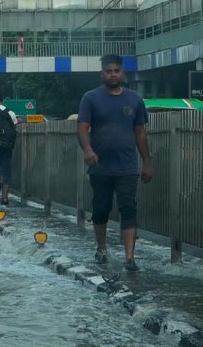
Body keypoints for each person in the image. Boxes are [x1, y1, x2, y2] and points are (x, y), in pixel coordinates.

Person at [77, 53, 151, 272]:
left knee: (128, 208)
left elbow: (140, 133)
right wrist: (88, 150)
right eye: (108, 71)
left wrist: (147, 163)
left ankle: (129, 258)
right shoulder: (90, 98)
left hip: (127, 166)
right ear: (102, 73)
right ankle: (101, 248)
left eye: (116, 71)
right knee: (101, 209)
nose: (113, 75)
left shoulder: (134, 99)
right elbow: (82, 128)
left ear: (122, 73)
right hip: (100, 166)